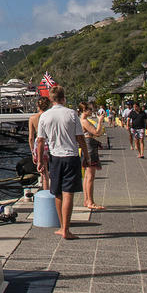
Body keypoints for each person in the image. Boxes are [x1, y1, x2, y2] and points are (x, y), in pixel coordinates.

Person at [35, 86, 90, 239]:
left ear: (51, 99)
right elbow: (80, 138)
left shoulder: (45, 116)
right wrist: (86, 156)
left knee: (57, 193)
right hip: (71, 156)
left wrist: (40, 160)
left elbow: (40, 141)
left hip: (55, 158)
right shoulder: (72, 114)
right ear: (63, 98)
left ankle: (62, 227)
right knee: (68, 194)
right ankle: (66, 229)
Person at [78, 102, 105, 210]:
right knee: (90, 176)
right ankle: (90, 201)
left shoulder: (80, 120)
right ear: (84, 110)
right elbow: (97, 132)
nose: (91, 111)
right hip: (89, 147)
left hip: (86, 145)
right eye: (89, 109)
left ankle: (87, 199)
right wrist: (100, 121)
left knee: (86, 176)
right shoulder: (84, 121)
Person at [28, 97, 52, 190]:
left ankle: (46, 192)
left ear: (38, 106)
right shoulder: (50, 116)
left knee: (43, 171)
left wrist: (32, 151)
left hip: (39, 143)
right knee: (54, 168)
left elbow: (31, 137)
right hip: (50, 142)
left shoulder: (33, 118)